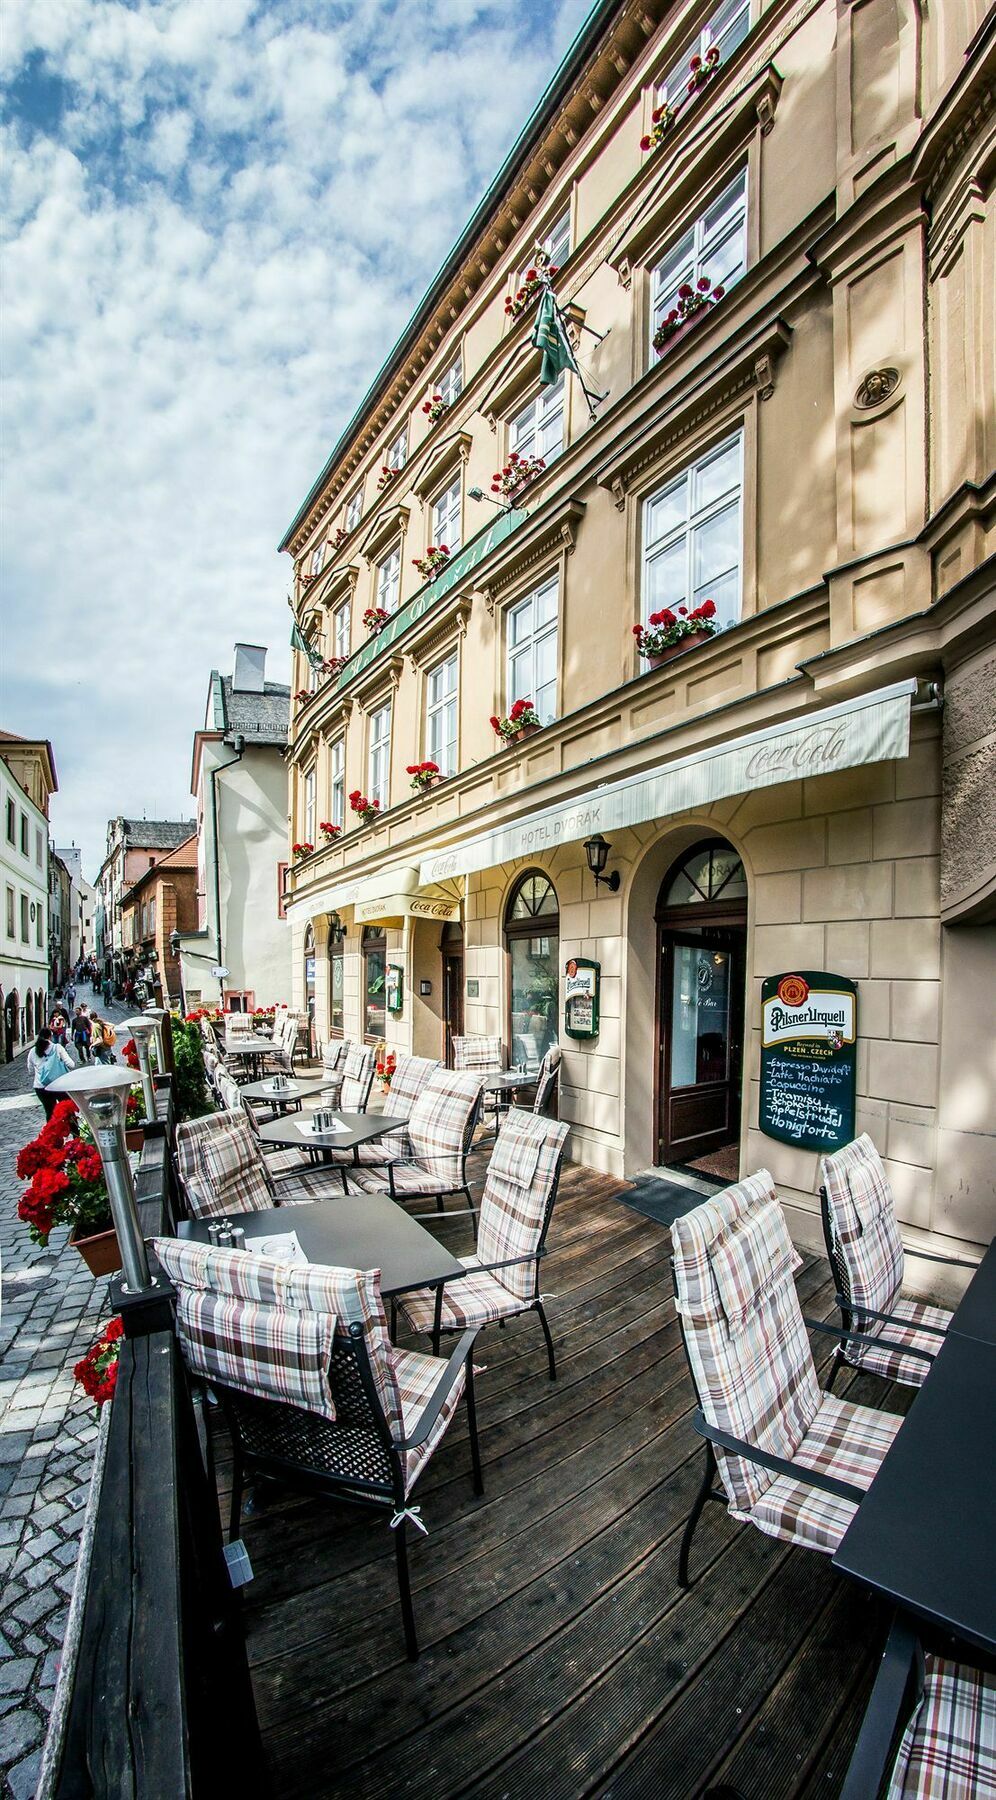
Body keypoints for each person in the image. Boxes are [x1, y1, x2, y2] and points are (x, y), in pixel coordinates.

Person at [27, 1029, 76, 1120]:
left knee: (50, 1112)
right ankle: (76, 1133)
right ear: (50, 1036)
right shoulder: (57, 1048)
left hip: (41, 1087)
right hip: (59, 1085)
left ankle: (53, 1133)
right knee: (68, 1111)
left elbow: (30, 1071)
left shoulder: (33, 1051)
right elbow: (71, 1065)